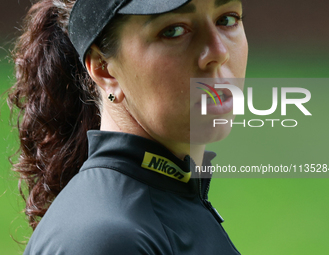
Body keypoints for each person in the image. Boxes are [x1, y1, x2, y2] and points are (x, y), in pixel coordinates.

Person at [8, 0, 248, 254]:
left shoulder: (171, 202)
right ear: (104, 70)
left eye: (227, 19)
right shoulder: (107, 239)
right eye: (174, 30)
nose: (219, 52)